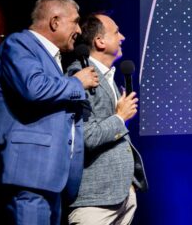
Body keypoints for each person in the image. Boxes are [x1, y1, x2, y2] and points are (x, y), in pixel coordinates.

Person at [0, 0, 100, 225]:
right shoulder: (20, 44)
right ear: (55, 22)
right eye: (75, 21)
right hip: (27, 175)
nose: (79, 30)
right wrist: (77, 83)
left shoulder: (51, 57)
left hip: (49, 179)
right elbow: (33, 88)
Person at [67, 13, 147, 225]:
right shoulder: (80, 76)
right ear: (99, 41)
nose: (122, 37)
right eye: (116, 32)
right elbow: (86, 137)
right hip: (96, 200)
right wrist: (120, 117)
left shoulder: (107, 77)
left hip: (120, 196)